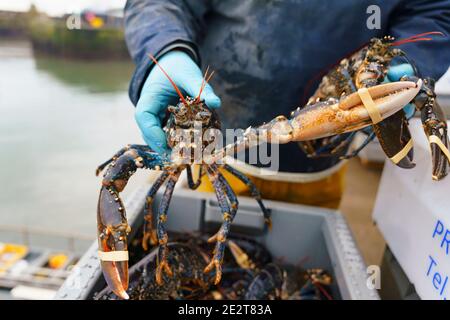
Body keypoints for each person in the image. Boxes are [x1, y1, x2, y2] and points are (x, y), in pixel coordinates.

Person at [123, 0, 450, 208]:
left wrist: (413, 59)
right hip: (220, 160)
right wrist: (166, 50)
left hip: (324, 159)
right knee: (210, 224)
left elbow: (434, 10)